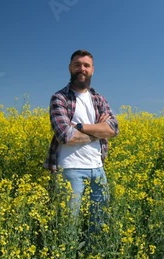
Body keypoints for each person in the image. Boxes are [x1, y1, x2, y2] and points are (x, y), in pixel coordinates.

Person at [44, 49, 119, 236]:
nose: (82, 69)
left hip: (98, 168)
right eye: (77, 65)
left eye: (86, 65)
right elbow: (65, 135)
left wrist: (79, 126)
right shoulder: (59, 98)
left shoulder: (99, 99)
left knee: (99, 223)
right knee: (68, 224)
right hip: (70, 169)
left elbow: (113, 129)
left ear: (92, 70)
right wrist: (98, 130)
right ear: (70, 68)